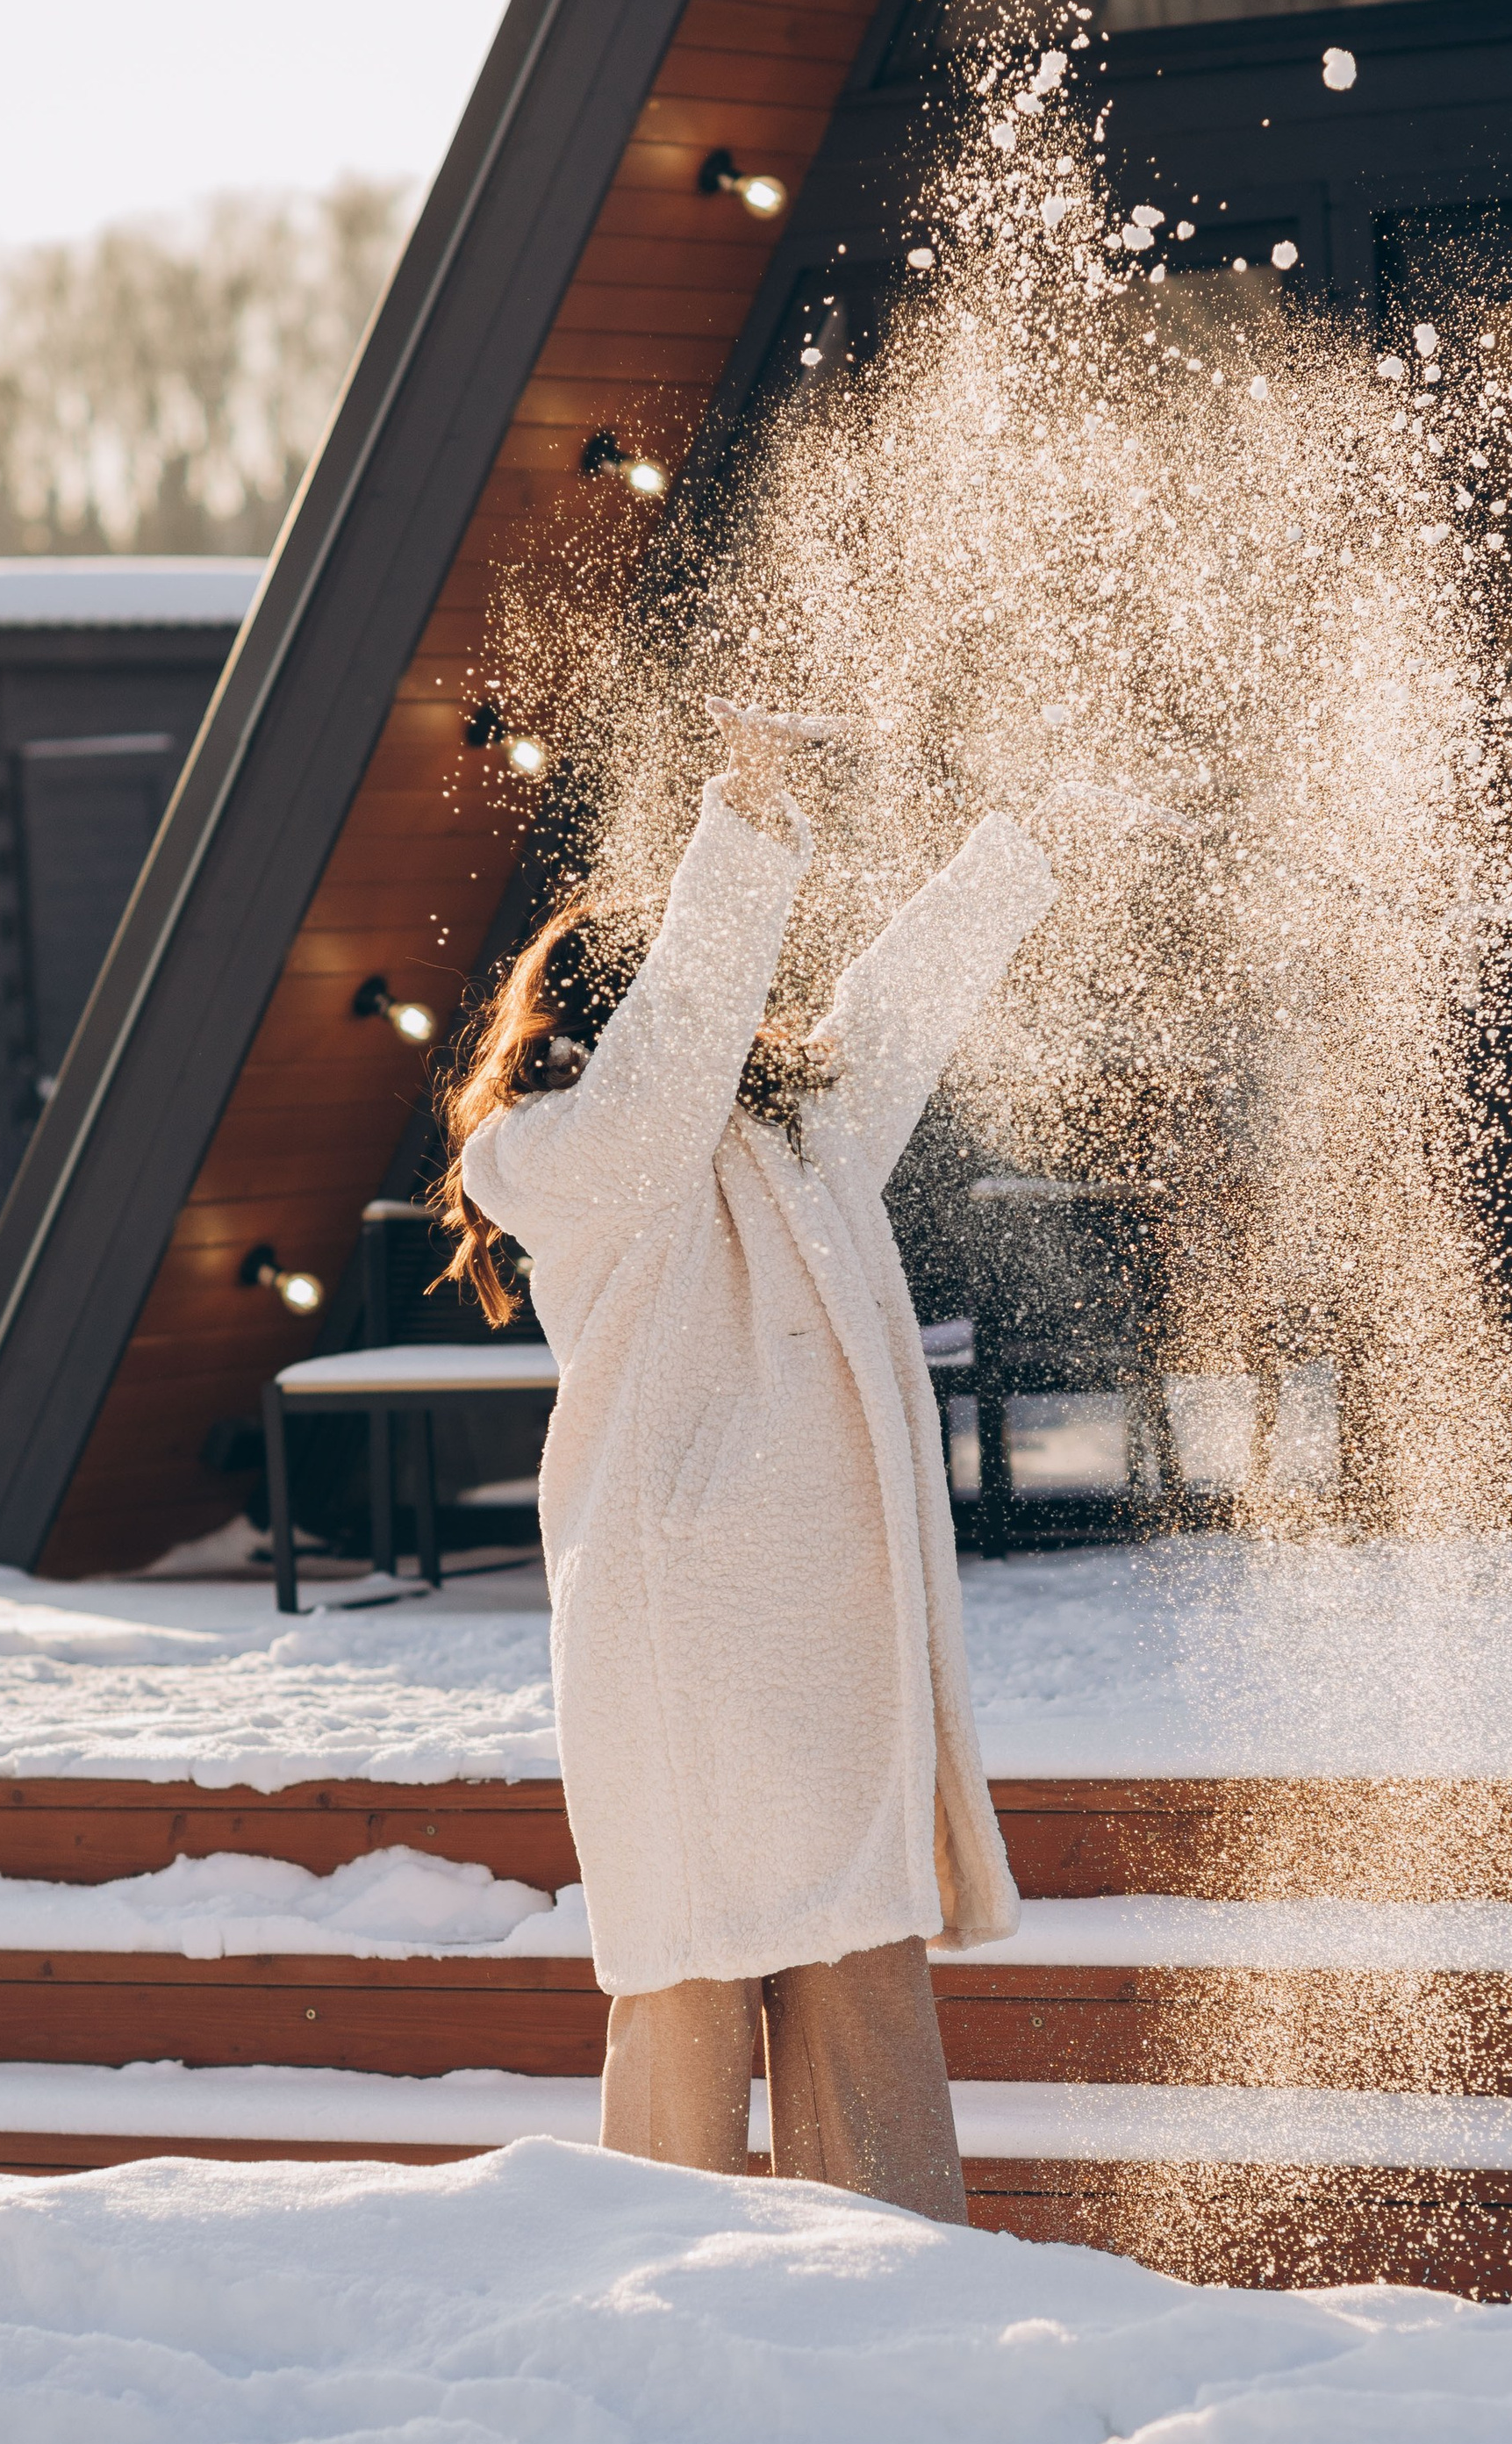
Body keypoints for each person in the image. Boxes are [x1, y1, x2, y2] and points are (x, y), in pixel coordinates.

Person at [439, 698, 1149, 2219]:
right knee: (690, 2009)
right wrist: (745, 823)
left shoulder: (791, 1136)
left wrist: (1011, 855)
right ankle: (660, 2334)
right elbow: (664, 1075)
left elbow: (890, 1012)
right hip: (687, 1645)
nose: (729, 1016)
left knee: (863, 1998)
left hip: (821, 1657)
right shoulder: (570, 1152)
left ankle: (904, 2323)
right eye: (688, 996)